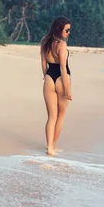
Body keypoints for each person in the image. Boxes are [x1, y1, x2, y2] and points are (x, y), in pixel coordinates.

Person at [40, 16, 72, 156]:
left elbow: (43, 64)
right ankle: (53, 145)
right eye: (67, 30)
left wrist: (46, 77)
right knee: (61, 116)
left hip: (48, 78)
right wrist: (68, 89)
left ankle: (50, 148)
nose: (68, 33)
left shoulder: (44, 42)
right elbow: (63, 68)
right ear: (60, 29)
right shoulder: (62, 45)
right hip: (61, 79)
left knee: (51, 117)